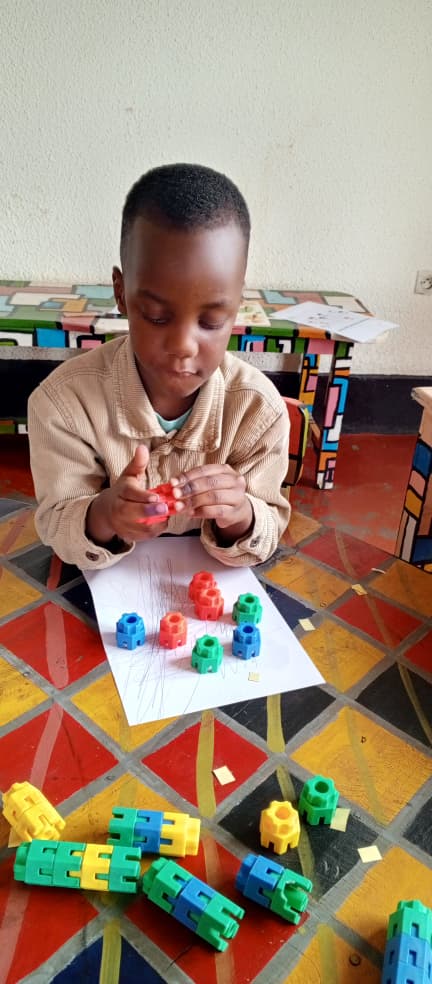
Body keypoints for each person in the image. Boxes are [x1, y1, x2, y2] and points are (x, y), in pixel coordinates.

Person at [28, 163, 290, 570]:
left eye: (212, 321)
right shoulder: (64, 404)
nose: (183, 346)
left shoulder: (257, 411)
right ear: (121, 293)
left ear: (238, 305)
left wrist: (240, 515)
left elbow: (269, 528)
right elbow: (56, 524)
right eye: (156, 316)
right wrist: (104, 515)